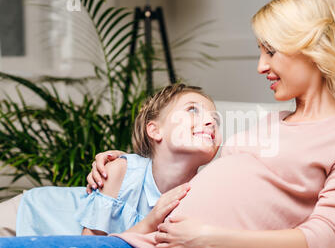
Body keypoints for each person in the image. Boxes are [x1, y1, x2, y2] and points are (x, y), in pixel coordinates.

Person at [0, 0, 335, 248]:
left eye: (270, 51)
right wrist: (120, 167)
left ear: (313, 48)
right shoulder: (269, 124)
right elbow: (188, 173)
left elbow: (319, 244)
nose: (260, 66)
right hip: (147, 243)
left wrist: (205, 238)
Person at [0, 83, 221, 237]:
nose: (210, 122)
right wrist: (149, 224)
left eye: (215, 119)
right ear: (155, 130)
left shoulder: (200, 195)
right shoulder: (121, 171)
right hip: (31, 215)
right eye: (192, 109)